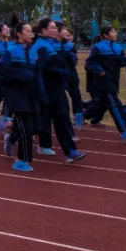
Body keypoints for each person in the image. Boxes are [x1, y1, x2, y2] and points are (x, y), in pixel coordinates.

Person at [33, 18, 86, 163]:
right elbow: (44, 67)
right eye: (52, 27)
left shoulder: (54, 43)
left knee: (61, 118)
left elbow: (62, 61)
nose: (55, 30)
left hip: (57, 87)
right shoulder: (40, 45)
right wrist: (61, 72)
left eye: (56, 28)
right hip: (46, 87)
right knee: (38, 121)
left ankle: (70, 152)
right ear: (43, 30)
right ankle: (13, 136)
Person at [84, 25, 126, 140]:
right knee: (116, 105)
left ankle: (82, 114)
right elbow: (89, 63)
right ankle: (125, 130)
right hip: (103, 82)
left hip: (114, 81)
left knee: (101, 105)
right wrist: (100, 71)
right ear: (105, 35)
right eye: (112, 31)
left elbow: (122, 62)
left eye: (115, 31)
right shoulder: (98, 47)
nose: (115, 33)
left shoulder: (118, 48)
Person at [0, 21, 38, 172]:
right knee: (25, 127)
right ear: (19, 34)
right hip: (15, 94)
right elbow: (0, 71)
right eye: (27, 31)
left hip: (29, 93)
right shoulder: (12, 51)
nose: (30, 33)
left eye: (31, 31)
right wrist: (21, 75)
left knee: (30, 126)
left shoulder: (32, 52)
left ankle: (7, 127)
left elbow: (35, 73)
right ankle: (21, 160)